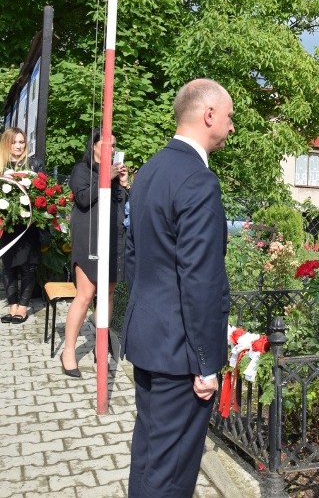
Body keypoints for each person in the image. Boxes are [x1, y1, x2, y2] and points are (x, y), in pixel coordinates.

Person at [121, 78, 234, 497]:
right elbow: (200, 279)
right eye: (229, 116)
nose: (231, 126)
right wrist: (206, 364)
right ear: (208, 115)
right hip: (180, 356)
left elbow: (134, 257)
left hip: (148, 339)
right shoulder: (198, 181)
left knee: (150, 455)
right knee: (171, 473)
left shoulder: (150, 170)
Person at [59, 128, 130, 377]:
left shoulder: (113, 172)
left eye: (114, 144)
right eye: (107, 143)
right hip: (89, 239)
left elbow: (122, 205)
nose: (111, 147)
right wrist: (106, 176)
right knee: (86, 294)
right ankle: (69, 350)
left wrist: (123, 184)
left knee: (108, 292)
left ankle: (101, 346)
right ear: (95, 145)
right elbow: (83, 199)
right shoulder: (82, 170)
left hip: (113, 239)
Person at [0, 128, 44, 324]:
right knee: (8, 267)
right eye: (14, 142)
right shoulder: (1, 167)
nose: (18, 146)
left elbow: (43, 193)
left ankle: (23, 308)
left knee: (27, 267)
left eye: (22, 142)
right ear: (6, 144)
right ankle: (11, 307)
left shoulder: (34, 165)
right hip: (7, 226)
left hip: (28, 226)